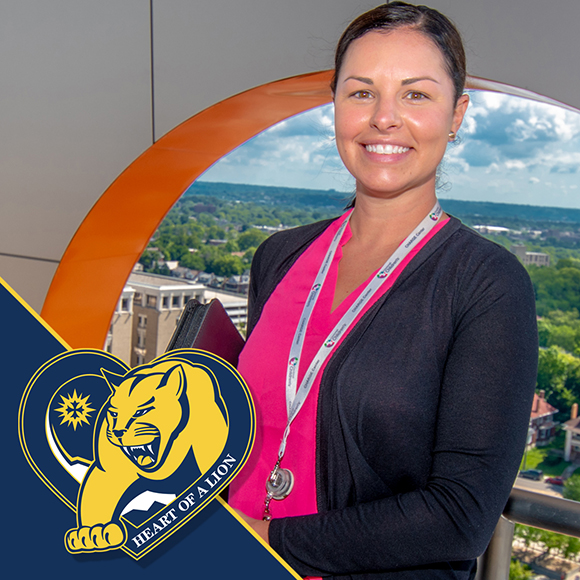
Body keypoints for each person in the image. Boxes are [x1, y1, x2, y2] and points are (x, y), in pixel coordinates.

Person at [229, 2, 538, 579]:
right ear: (336, 106)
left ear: (457, 114)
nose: (384, 118)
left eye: (416, 95)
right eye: (361, 92)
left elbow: (462, 515)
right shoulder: (280, 257)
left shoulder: (486, 284)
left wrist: (266, 538)